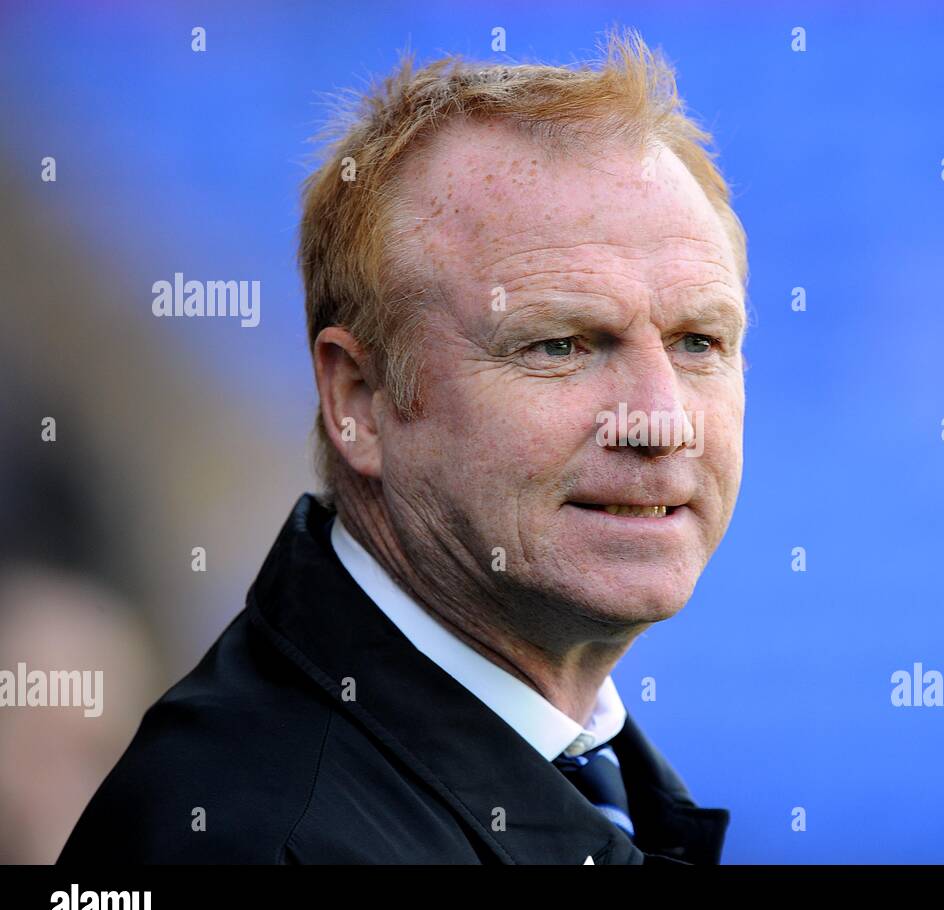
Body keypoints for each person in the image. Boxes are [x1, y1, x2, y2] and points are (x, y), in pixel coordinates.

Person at [57, 26, 748, 865]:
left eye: (699, 342)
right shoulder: (253, 842)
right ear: (360, 400)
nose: (660, 420)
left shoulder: (591, 778)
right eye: (560, 345)